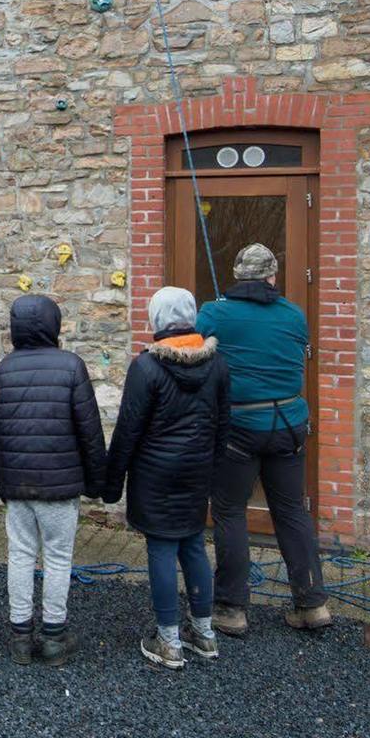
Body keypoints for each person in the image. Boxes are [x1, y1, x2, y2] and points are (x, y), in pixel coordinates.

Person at [196, 244, 331, 636]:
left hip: (239, 425)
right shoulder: (293, 314)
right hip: (288, 423)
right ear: (273, 277)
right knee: (291, 511)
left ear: (239, 275)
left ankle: (231, 608)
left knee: (229, 511)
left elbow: (195, 349)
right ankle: (312, 603)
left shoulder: (215, 312)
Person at [104, 287, 229, 670]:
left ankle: (169, 639)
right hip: (196, 469)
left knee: (161, 547)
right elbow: (224, 424)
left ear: (156, 319)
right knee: (192, 544)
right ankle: (204, 633)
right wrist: (214, 468)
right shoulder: (217, 364)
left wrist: (112, 482)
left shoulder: (146, 367)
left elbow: (128, 429)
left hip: (155, 472)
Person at [0, 294, 106, 667]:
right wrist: (97, 482)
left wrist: (3, 483)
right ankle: (54, 635)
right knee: (57, 557)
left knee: (20, 556)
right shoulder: (72, 367)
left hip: (18, 485)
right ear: (54, 325)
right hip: (61, 487)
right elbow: (90, 432)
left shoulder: (3, 370)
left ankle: (21, 637)